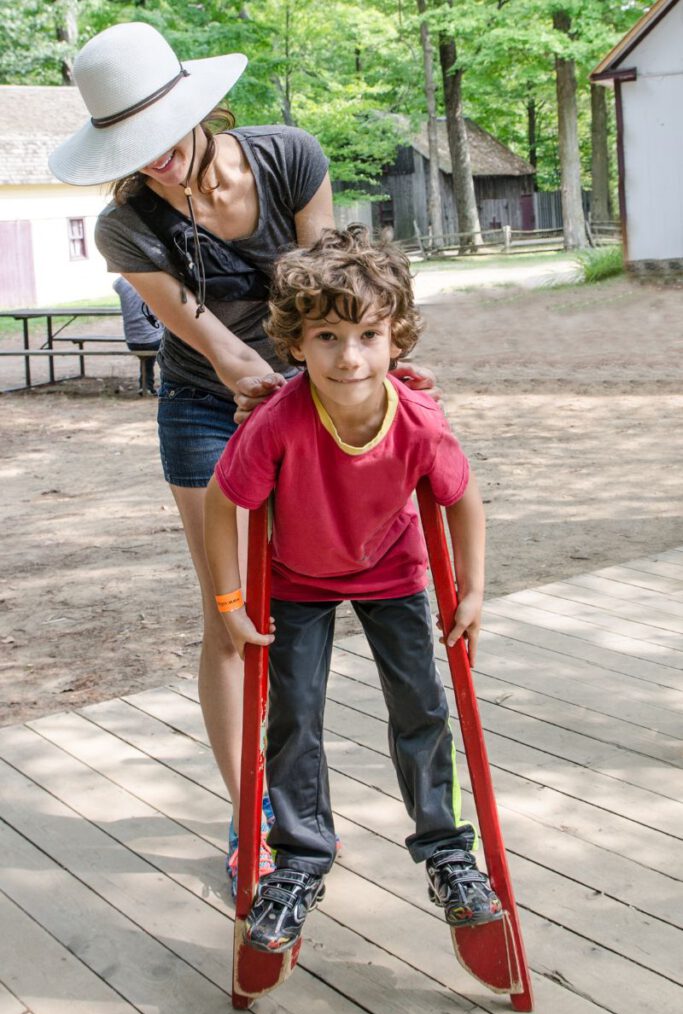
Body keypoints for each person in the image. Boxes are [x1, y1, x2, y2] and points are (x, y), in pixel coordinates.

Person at [48, 22, 435, 894]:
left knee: (325, 580)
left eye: (157, 139)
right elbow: (227, 356)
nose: (150, 161)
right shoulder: (126, 229)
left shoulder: (288, 158)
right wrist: (282, 389)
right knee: (232, 610)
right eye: (128, 148)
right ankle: (252, 812)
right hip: (208, 406)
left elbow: (338, 284)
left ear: (196, 110)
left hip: (318, 385)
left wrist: (379, 373)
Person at [204, 225, 503, 952]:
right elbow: (223, 503)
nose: (349, 356)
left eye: (367, 334)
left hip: (393, 571)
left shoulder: (418, 421)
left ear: (395, 337)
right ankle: (300, 861)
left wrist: (470, 589)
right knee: (294, 717)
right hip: (296, 582)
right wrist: (229, 603)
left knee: (420, 707)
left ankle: (446, 852)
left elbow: (461, 498)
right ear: (295, 342)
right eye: (327, 336)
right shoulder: (276, 423)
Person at [113, 276, 164, 394]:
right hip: (153, 341)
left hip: (132, 341)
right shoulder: (151, 282)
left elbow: (115, 284)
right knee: (169, 342)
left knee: (147, 357)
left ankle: (145, 386)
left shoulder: (121, 283)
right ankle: (162, 386)